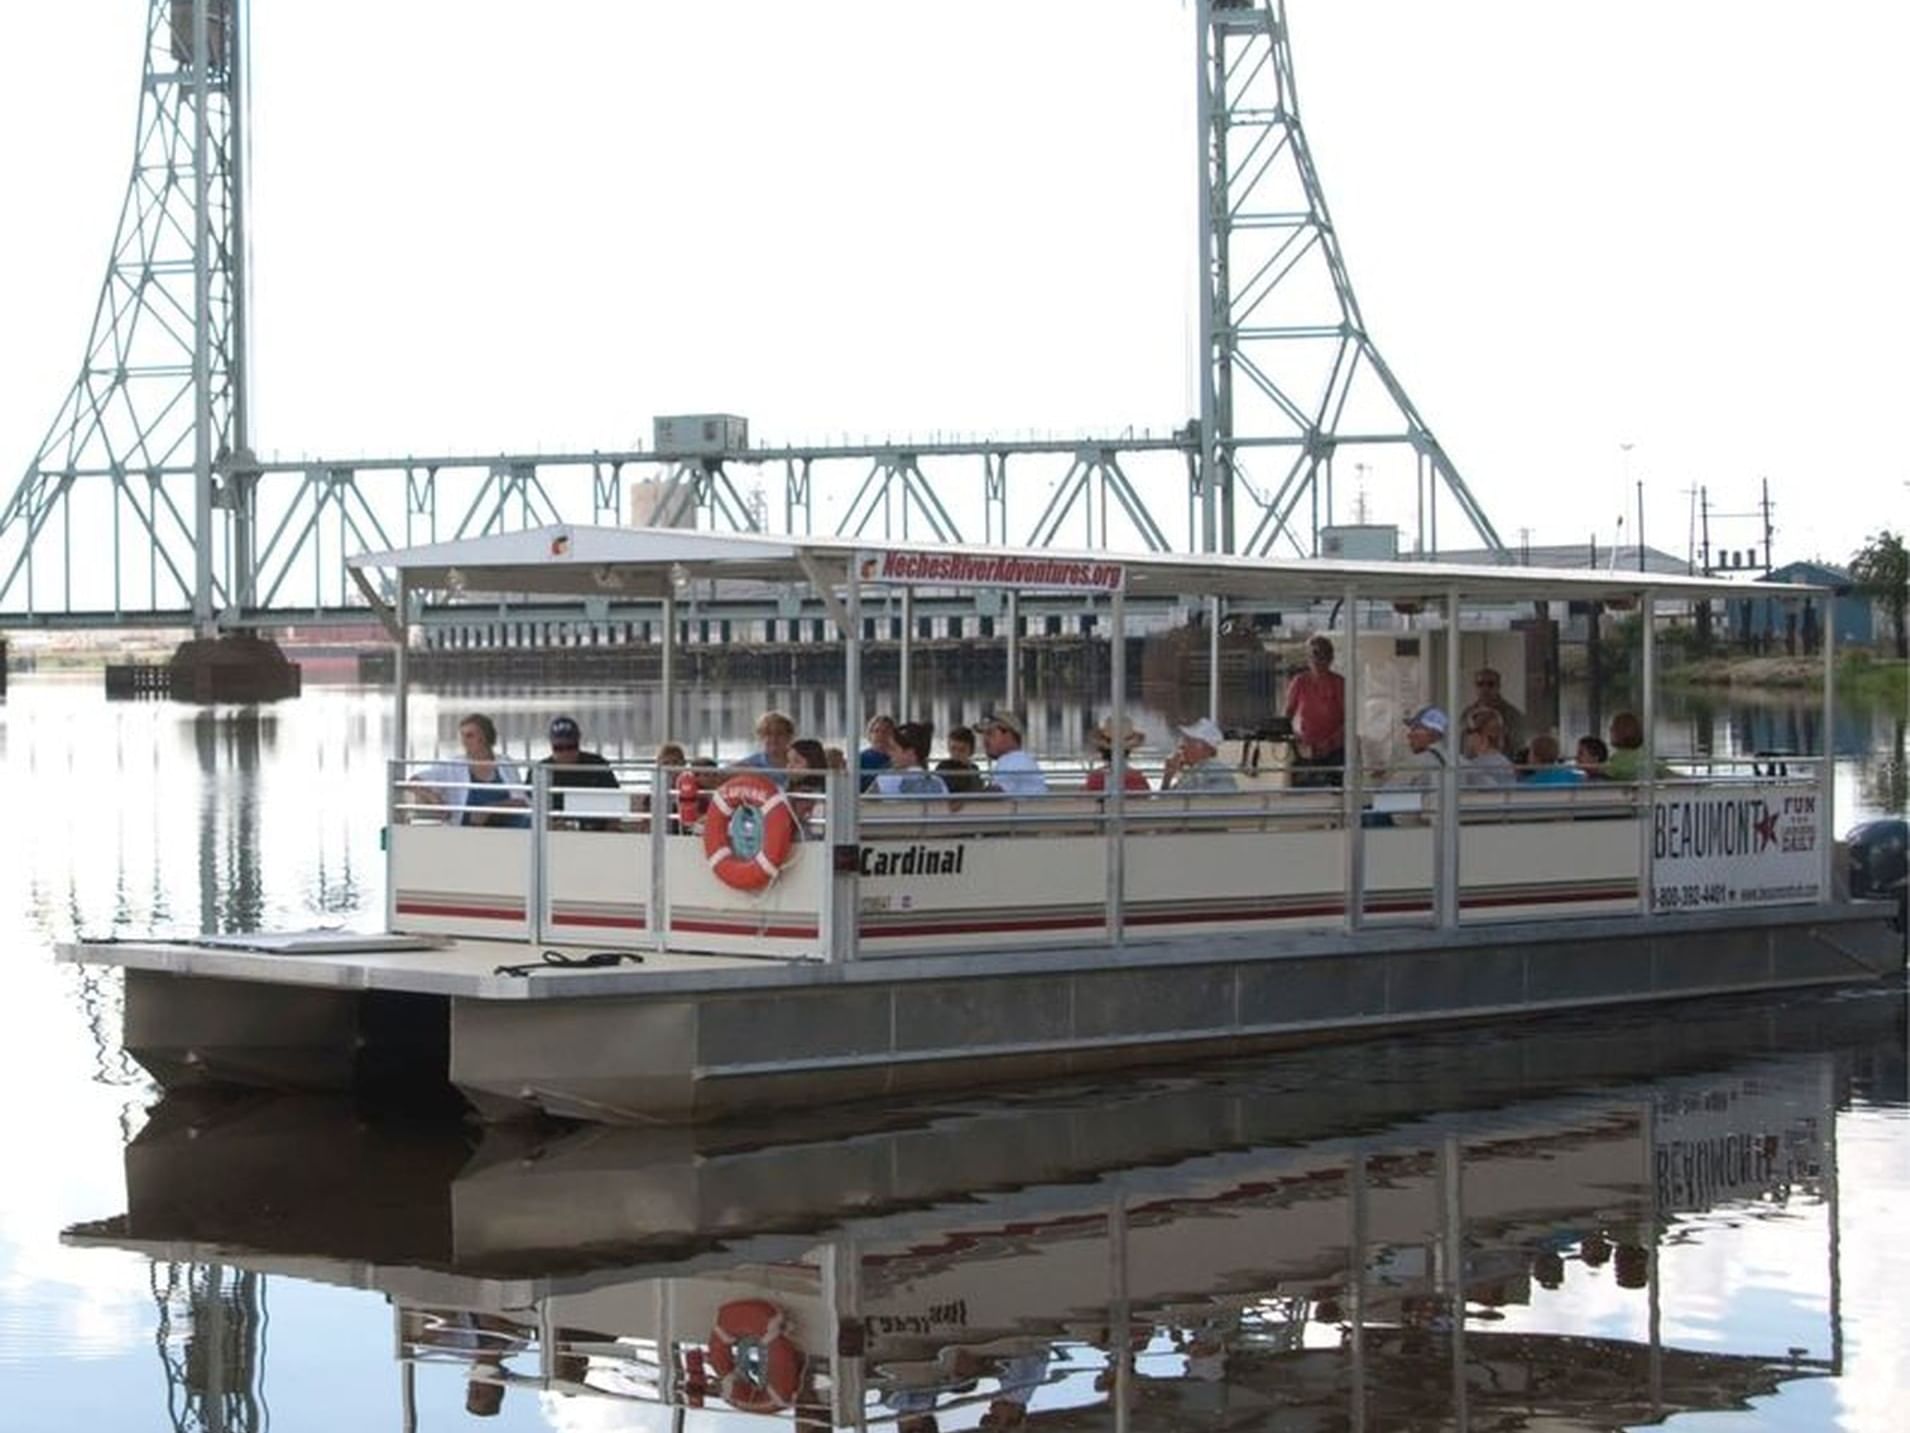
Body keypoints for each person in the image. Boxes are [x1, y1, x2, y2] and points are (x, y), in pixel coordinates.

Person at [412, 713, 528, 827]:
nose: (464, 741)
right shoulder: (454, 765)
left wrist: (489, 810)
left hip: (508, 828)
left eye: (470, 736)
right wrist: (435, 800)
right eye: (462, 736)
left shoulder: (505, 763)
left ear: (485, 737)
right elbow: (414, 781)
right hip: (468, 831)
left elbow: (521, 801)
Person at [1283, 635, 1346, 787]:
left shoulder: (1339, 683)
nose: (1317, 660)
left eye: (1322, 655)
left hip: (1335, 750)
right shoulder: (1300, 681)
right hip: (1306, 749)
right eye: (1313, 655)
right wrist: (1295, 739)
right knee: (1304, 791)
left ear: (1330, 658)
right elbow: (1287, 716)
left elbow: (1348, 719)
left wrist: (1330, 743)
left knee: (1337, 792)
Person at [539, 715, 620, 828]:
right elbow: (530, 808)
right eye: (558, 748)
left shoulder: (597, 765)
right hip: (554, 833)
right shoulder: (540, 771)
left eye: (571, 746)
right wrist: (550, 825)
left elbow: (616, 801)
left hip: (596, 832)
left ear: (579, 742)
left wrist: (610, 830)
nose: (565, 753)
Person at [975, 711, 1049, 795]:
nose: (985, 740)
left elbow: (996, 794)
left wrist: (963, 797)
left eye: (990, 734)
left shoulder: (1013, 761)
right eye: (983, 735)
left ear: (1008, 735)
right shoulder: (1020, 759)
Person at [872, 721, 949, 796]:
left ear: (910, 752)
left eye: (893, 749)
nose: (889, 753)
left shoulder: (885, 780)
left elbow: (864, 806)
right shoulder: (940, 783)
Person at [1461, 667, 1527, 753]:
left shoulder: (1512, 715)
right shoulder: (1467, 714)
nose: (1485, 689)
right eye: (1480, 684)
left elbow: (1519, 747)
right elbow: (1460, 744)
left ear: (1498, 686)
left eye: (1490, 684)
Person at [1163, 716, 1238, 792]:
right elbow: (1167, 801)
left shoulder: (1215, 774)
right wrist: (1168, 776)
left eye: (1188, 741)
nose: (1182, 746)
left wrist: (1167, 778)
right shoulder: (1194, 772)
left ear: (1203, 748)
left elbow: (1221, 801)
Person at [1082, 717, 1149, 794]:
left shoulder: (1094, 778)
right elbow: (1146, 799)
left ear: (1102, 752)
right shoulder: (1137, 778)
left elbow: (1088, 800)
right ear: (1128, 752)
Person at [1460, 710, 1517, 788]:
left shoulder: (1472, 765)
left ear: (1477, 735)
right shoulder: (1506, 762)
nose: (1466, 739)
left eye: (1469, 732)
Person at [738, 709, 796, 774]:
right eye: (768, 734)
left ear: (789, 736)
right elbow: (725, 773)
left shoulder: (800, 762)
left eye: (779, 733)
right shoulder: (751, 763)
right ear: (760, 737)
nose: (773, 739)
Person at [1520, 731, 1584, 785]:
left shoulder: (1529, 783)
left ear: (1537, 756)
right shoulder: (1575, 778)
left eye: (1530, 752)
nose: (1528, 756)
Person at [859, 714, 899, 789]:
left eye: (885, 731)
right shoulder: (860, 758)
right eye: (876, 731)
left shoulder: (901, 757)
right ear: (870, 734)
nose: (880, 735)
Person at [1604, 711, 1646, 782]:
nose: (1610, 730)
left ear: (1620, 732)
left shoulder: (1617, 759)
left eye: (1613, 728)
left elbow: (1606, 776)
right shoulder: (1645, 756)